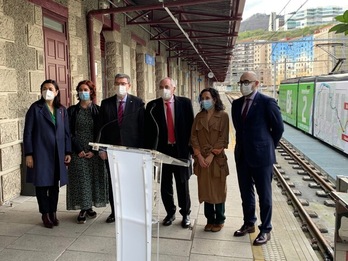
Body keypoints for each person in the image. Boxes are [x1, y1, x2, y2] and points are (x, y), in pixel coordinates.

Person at [231, 71, 284, 245]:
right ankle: (249, 223)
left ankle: (266, 229)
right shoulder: (237, 104)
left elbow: (278, 129)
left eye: (246, 82)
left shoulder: (267, 103)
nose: (243, 85)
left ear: (256, 84)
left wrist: (267, 146)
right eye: (241, 82)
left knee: (265, 195)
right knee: (246, 192)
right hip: (242, 155)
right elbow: (240, 129)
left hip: (262, 157)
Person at [144, 77, 194, 228]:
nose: (164, 89)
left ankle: (185, 214)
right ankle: (170, 213)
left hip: (180, 151)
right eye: (161, 87)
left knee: (182, 184)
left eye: (167, 86)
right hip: (162, 152)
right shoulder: (152, 106)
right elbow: (148, 131)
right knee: (165, 184)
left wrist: (191, 151)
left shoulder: (185, 103)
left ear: (174, 88)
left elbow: (191, 127)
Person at [23, 79, 72, 228]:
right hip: (40, 153)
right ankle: (45, 214)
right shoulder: (35, 108)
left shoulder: (62, 110)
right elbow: (28, 132)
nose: (47, 91)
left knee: (54, 186)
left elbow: (67, 133)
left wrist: (67, 151)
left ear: (57, 92)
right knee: (42, 185)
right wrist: (29, 154)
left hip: (57, 153)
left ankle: (53, 212)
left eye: (51, 88)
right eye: (44, 88)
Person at [99, 73, 145, 223]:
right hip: (112, 151)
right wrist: (101, 149)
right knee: (114, 183)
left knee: (130, 183)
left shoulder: (138, 103)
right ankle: (115, 212)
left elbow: (142, 128)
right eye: (118, 83)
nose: (120, 86)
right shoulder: (105, 103)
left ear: (129, 85)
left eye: (123, 83)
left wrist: (142, 151)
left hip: (131, 151)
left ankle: (130, 212)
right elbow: (101, 128)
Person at [66, 80, 108, 224]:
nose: (83, 92)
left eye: (86, 89)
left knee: (93, 179)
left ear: (91, 91)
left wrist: (94, 151)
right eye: (80, 89)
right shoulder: (71, 111)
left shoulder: (98, 110)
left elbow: (101, 132)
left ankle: (89, 207)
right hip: (77, 150)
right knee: (82, 179)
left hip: (94, 151)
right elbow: (69, 132)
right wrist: (78, 150)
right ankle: (83, 209)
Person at [190, 88, 229, 232]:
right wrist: (199, 155)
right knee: (205, 189)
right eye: (202, 98)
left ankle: (219, 219)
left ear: (215, 99)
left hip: (217, 160)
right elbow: (193, 136)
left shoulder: (223, 116)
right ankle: (209, 219)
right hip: (202, 160)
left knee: (218, 190)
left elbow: (223, 139)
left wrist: (212, 155)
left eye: (207, 97)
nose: (204, 100)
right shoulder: (199, 116)